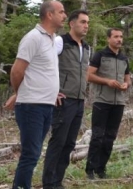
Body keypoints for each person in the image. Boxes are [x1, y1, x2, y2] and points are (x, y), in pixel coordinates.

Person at [4, 0, 67, 189]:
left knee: (35, 151)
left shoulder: (51, 39)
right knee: (31, 153)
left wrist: (51, 93)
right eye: (61, 12)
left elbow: (40, 72)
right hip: (31, 105)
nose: (65, 15)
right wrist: (21, 93)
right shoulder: (33, 38)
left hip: (45, 104)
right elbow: (17, 71)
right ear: (49, 14)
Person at [42, 10, 91, 189]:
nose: (86, 26)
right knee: (58, 141)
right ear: (72, 23)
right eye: (83, 22)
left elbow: (84, 73)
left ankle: (58, 182)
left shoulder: (86, 47)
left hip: (79, 101)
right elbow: (46, 65)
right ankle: (48, 183)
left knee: (70, 142)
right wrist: (53, 91)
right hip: (63, 100)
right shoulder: (60, 42)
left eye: (88, 23)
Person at [85, 28, 131, 180]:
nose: (119, 39)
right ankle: (90, 170)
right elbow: (89, 76)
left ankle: (101, 170)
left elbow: (127, 79)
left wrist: (126, 85)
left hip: (119, 103)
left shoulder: (124, 59)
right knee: (97, 136)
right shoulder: (100, 55)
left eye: (121, 37)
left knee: (110, 136)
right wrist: (107, 81)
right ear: (108, 39)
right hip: (101, 101)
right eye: (116, 36)